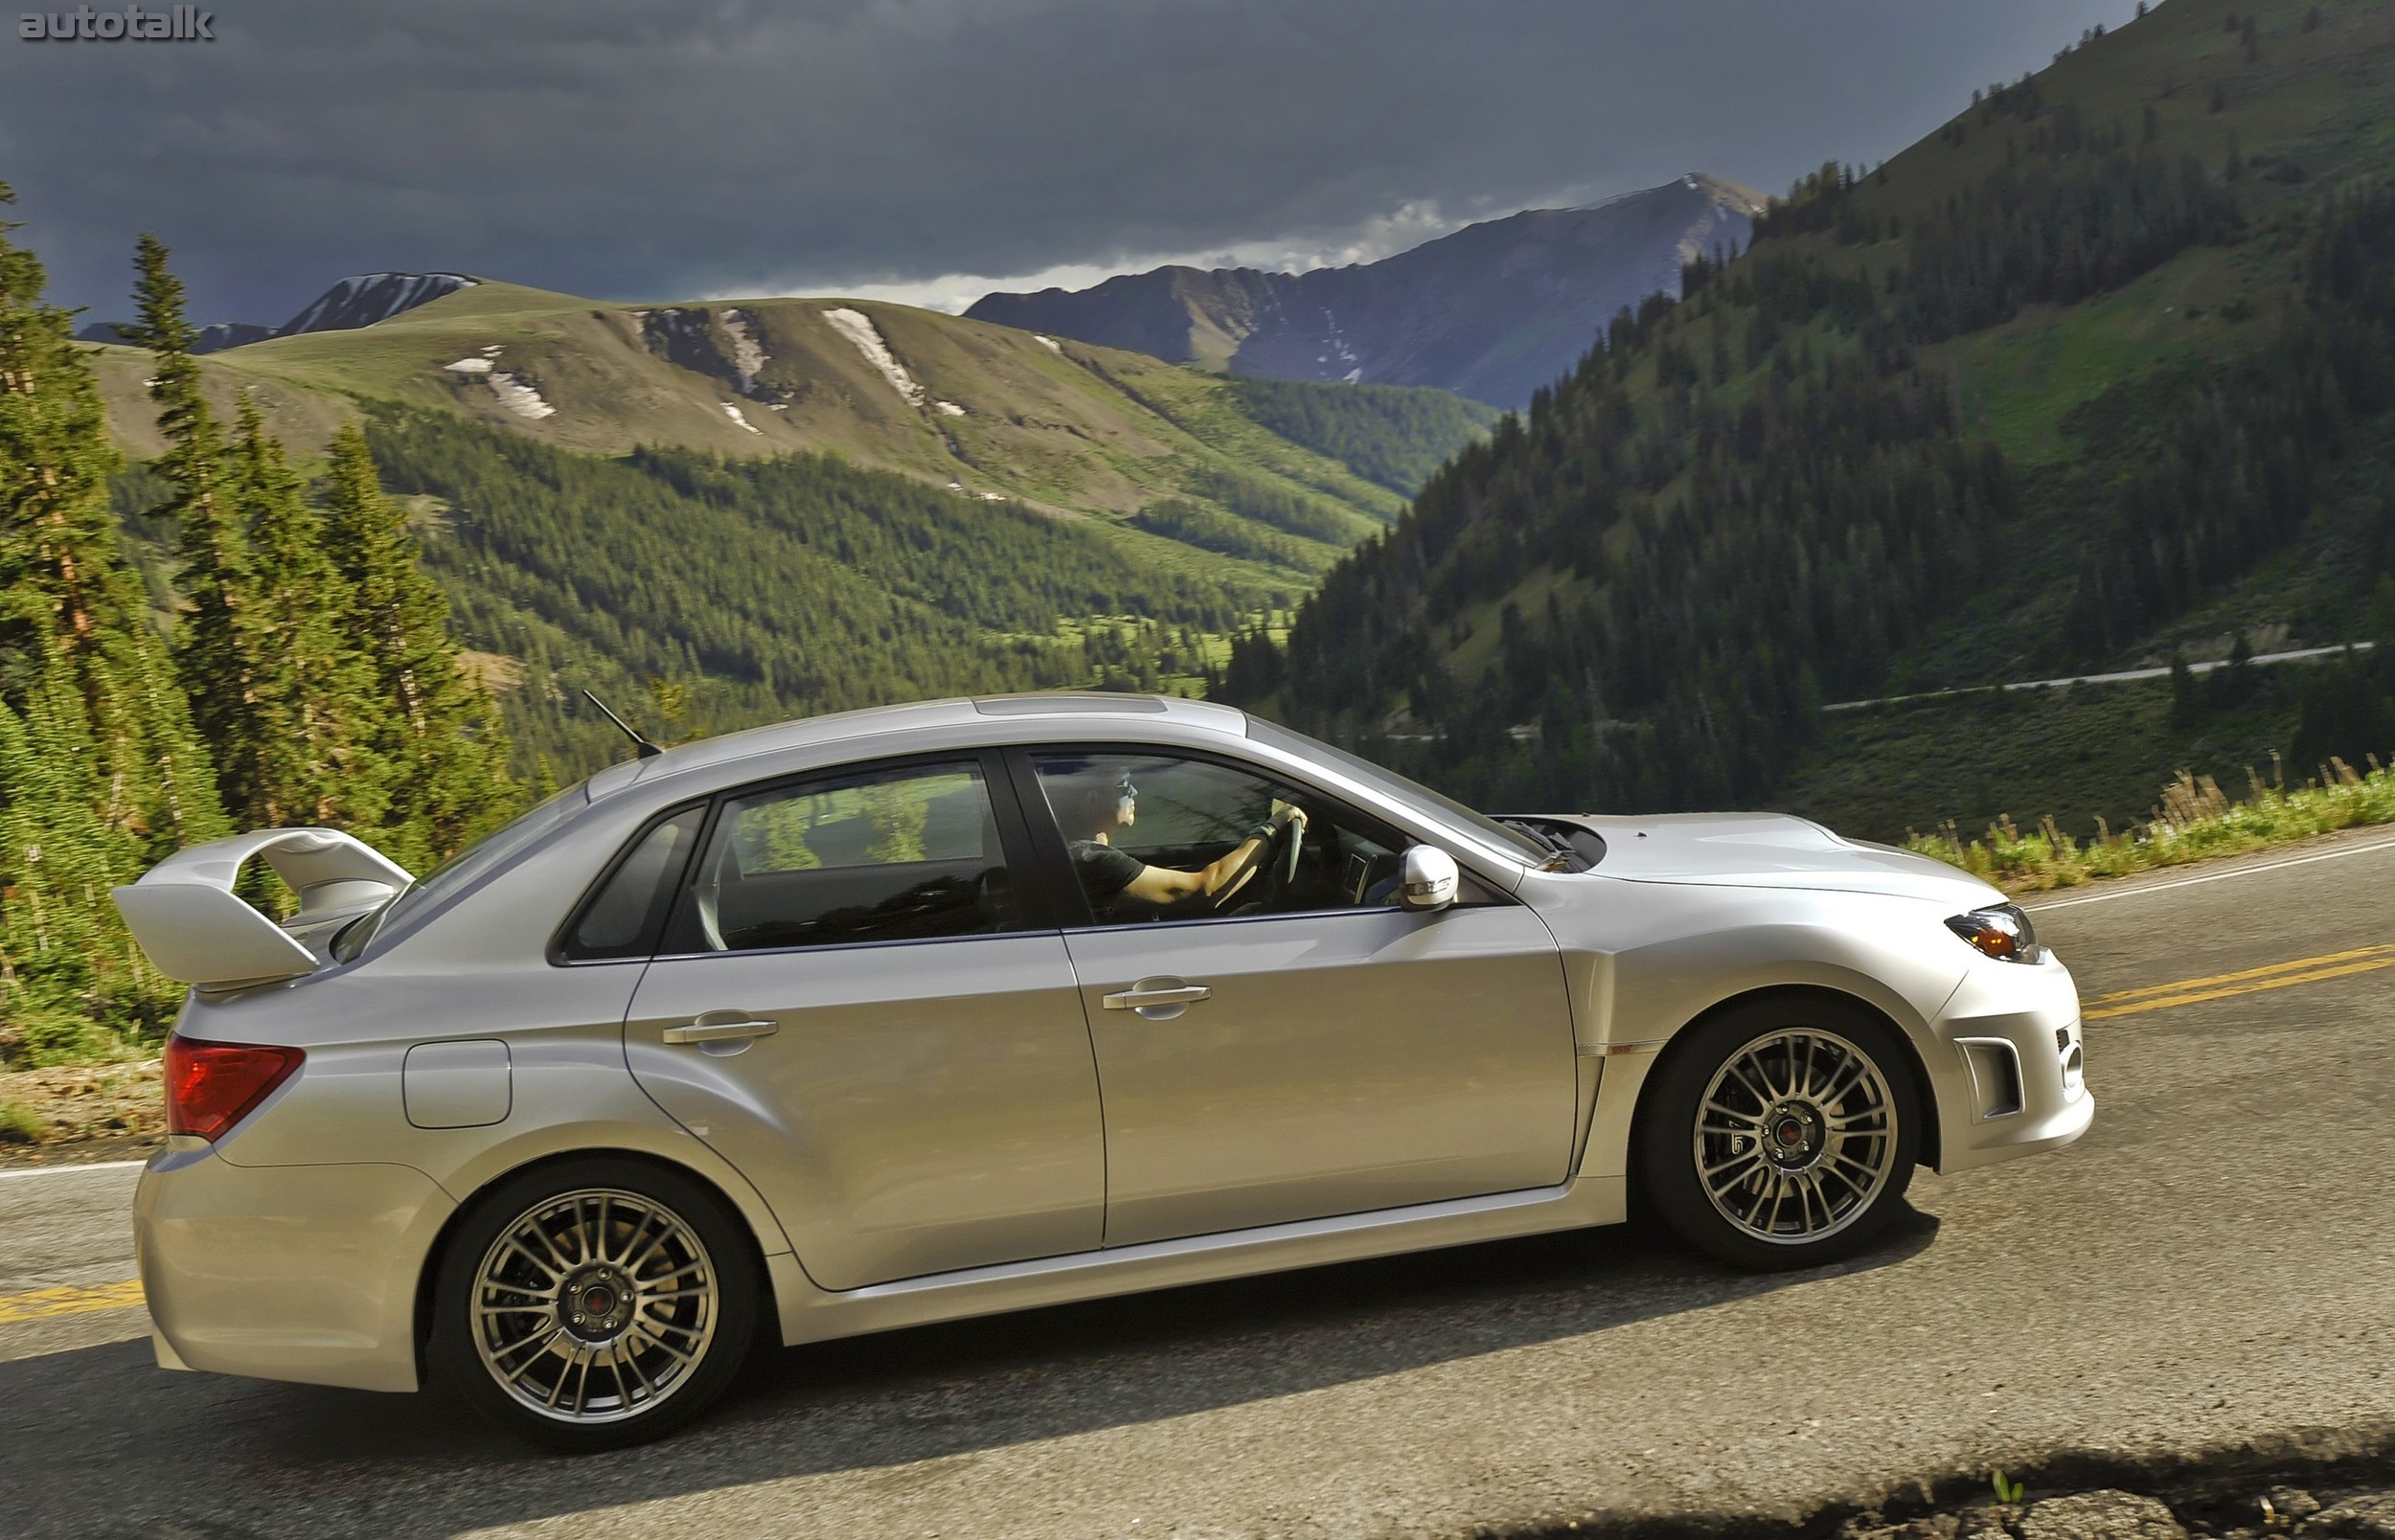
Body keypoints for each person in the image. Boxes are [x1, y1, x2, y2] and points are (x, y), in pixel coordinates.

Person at [1052, 768, 1306, 919]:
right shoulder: (1092, 862)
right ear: (1092, 799)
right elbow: (1207, 888)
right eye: (1124, 785)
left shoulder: (1077, 853)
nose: (1134, 792)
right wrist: (1271, 828)